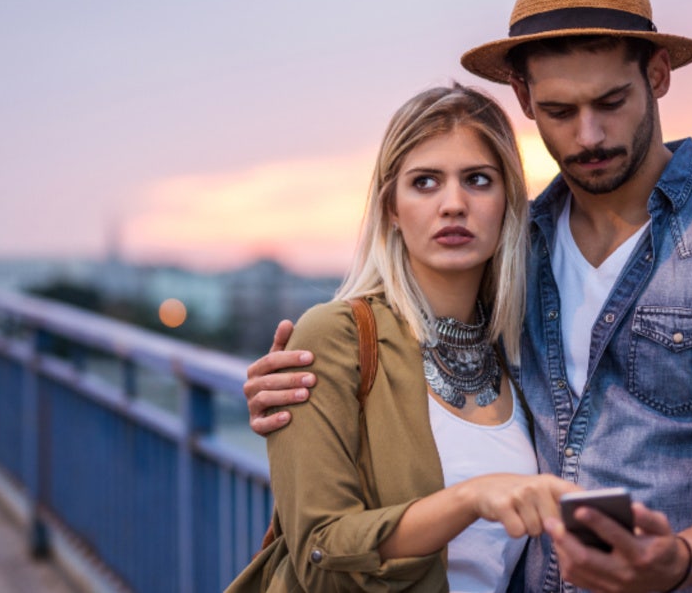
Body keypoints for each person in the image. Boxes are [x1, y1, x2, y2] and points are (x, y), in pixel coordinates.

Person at [243, 0, 692, 591]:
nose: (589, 135)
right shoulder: (513, 252)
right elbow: (409, 342)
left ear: (659, 74)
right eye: (560, 111)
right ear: (524, 98)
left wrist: (679, 558)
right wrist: (307, 393)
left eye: (611, 102)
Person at [227, 84, 580, 593]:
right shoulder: (336, 336)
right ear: (391, 206)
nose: (453, 204)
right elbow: (320, 552)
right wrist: (471, 498)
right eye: (425, 182)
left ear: (508, 201)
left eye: (479, 180)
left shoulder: (522, 350)